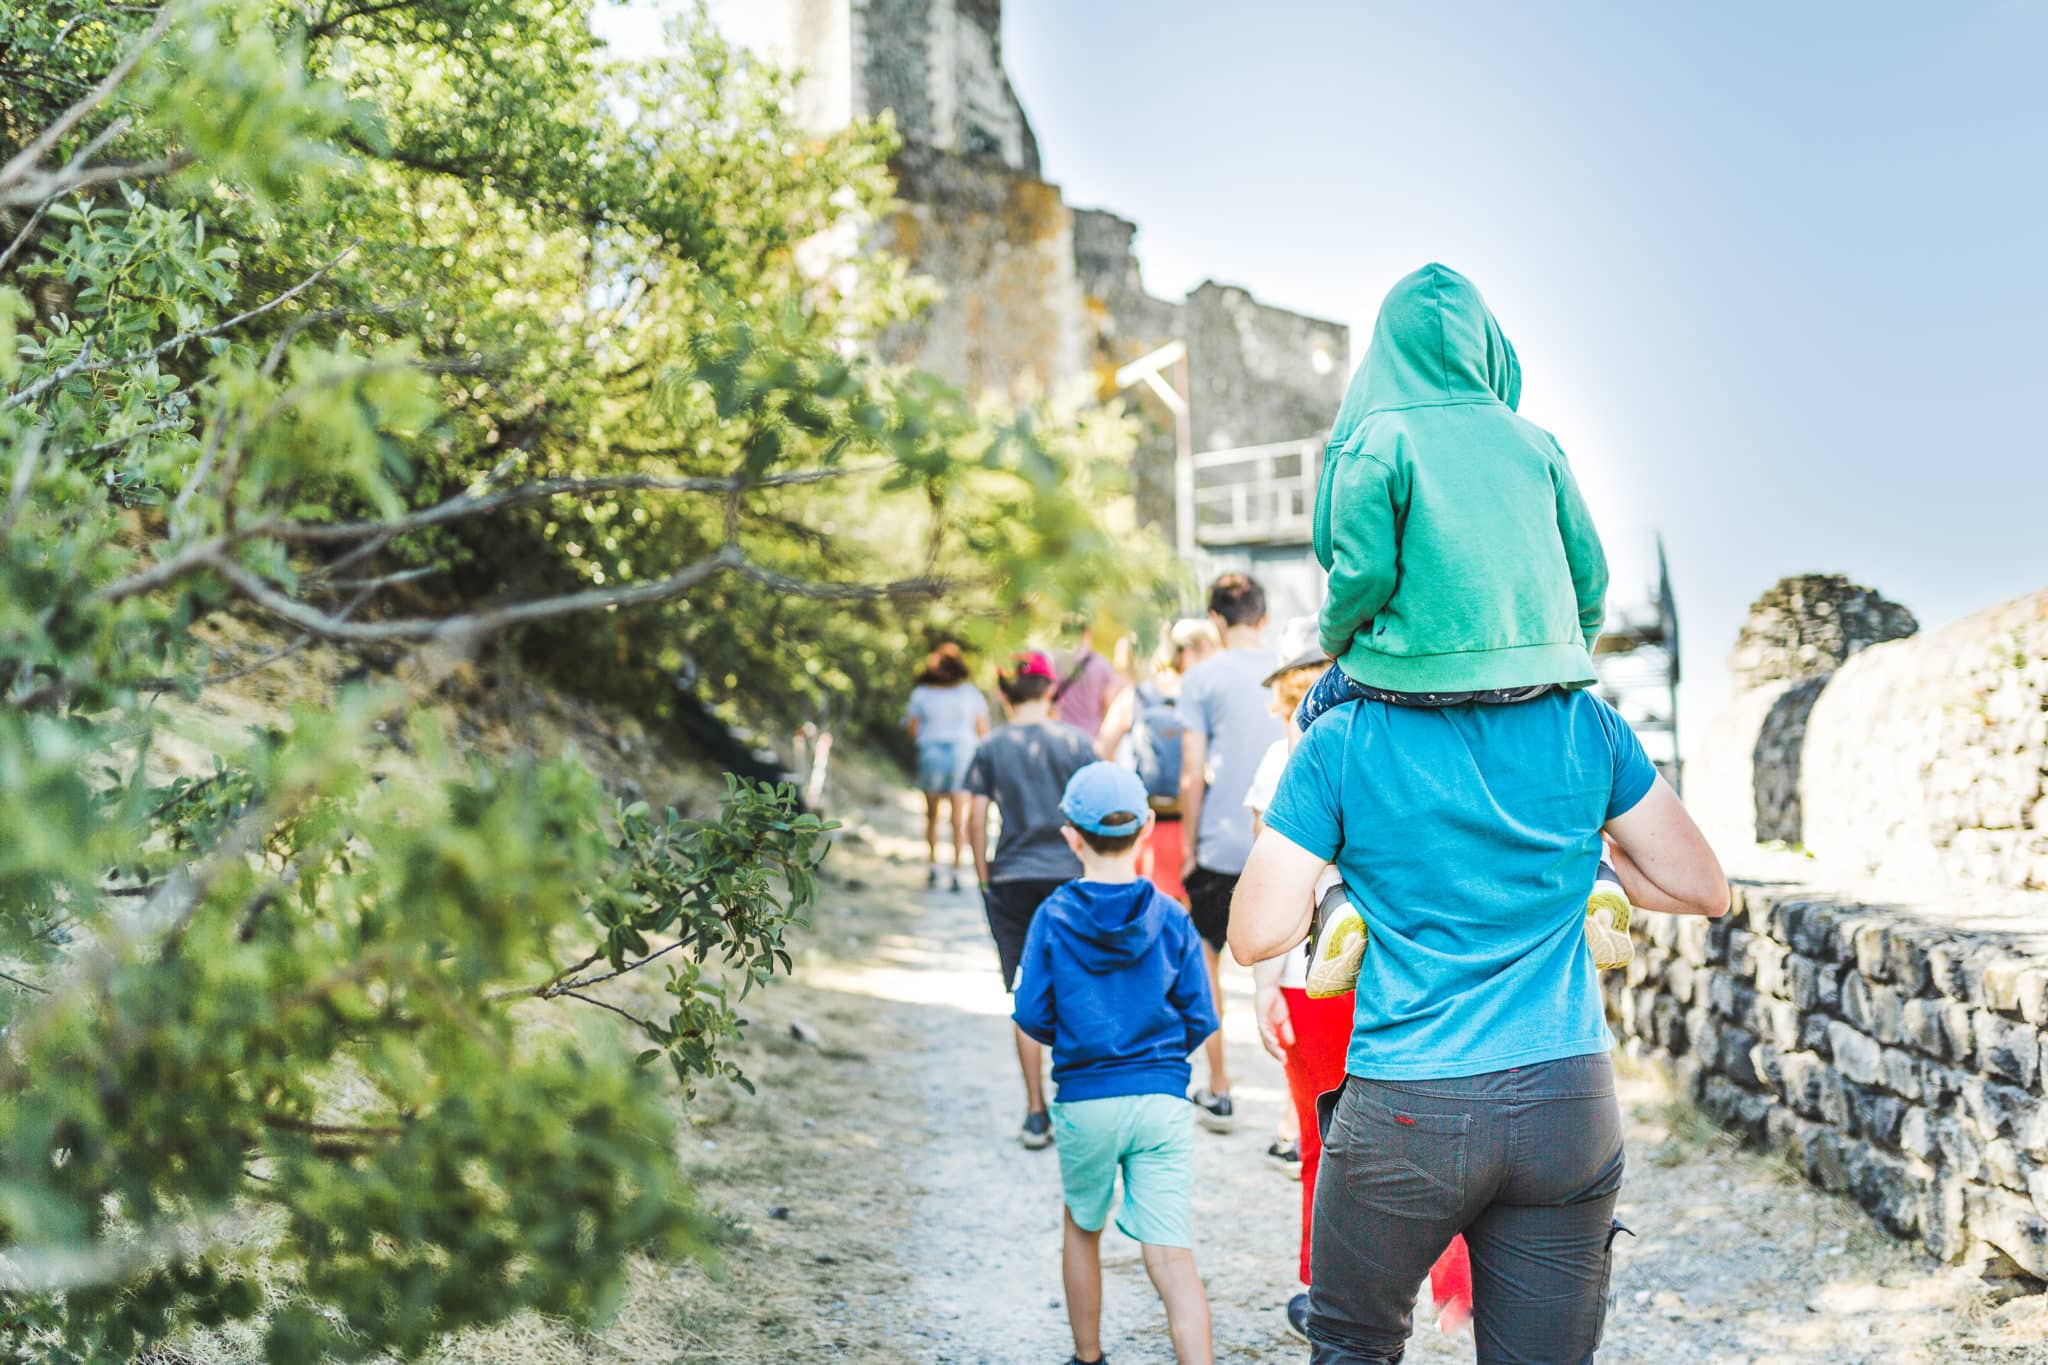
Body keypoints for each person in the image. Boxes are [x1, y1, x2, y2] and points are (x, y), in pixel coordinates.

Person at [1230, 686, 1728, 1363]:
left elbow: (1254, 934)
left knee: (1354, 1345)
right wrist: (1588, 863)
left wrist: (1332, 871)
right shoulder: (1587, 724)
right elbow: (1704, 887)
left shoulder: (1342, 733)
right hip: (1566, 1098)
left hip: (1408, 1100)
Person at [1294, 263, 1633, 998]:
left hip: (1408, 672)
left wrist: (1336, 636)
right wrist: (1559, 651)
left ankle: (1335, 898)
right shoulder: (1536, 442)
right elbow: (1591, 575)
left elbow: (1365, 575)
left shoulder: (1378, 441)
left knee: (1308, 720)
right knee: (1577, 756)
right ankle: (1598, 875)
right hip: (1540, 666)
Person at [1242, 619, 1471, 1344]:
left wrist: (1262, 985)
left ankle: (1323, 1284)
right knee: (1432, 1123)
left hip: (1314, 978)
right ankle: (1454, 1287)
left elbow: (1265, 891)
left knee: (1324, 1137)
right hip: (1394, 970)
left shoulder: (1279, 765)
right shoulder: (1388, 742)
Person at [1013, 762, 1219, 1365]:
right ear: (1150, 827)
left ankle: (1089, 1355)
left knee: (1083, 1226)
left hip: (1086, 1098)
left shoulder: (1051, 916)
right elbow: (1201, 1016)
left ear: (1071, 836)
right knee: (1171, 1254)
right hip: (1161, 1100)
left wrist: (1082, 1042)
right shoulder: (1172, 917)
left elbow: (1031, 1014)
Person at [966, 651, 1100, 1149]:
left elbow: (974, 820)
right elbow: (1099, 811)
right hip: (1070, 878)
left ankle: (1035, 1113)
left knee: (1025, 995)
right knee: (1077, 987)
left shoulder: (990, 747)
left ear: (1002, 695)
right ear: (1050, 692)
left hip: (1013, 881)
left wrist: (985, 877)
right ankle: (1078, 1102)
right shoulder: (1077, 743)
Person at [1176, 573, 1280, 1131]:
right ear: (1262, 618)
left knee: (1208, 963)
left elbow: (1193, 775)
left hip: (1219, 843)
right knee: (1294, 973)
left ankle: (1219, 1088)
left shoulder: (1201, 678)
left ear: (1215, 620)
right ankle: (1296, 1119)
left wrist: (1188, 848)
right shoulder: (1290, 676)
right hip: (1286, 845)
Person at [1096, 618, 1222, 907]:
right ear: (1194, 651)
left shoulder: (1137, 695)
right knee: (1187, 921)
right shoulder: (1204, 698)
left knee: (1147, 910)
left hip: (1147, 825)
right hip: (1194, 825)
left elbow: (1101, 749)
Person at [905, 642, 990, 893]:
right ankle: (955, 871)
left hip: (931, 751)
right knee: (958, 816)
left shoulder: (921, 693)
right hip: (963, 753)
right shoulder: (970, 693)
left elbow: (912, 728)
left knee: (931, 814)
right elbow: (982, 730)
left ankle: (932, 866)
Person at [1053, 618, 1120, 736]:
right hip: (1091, 736)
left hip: (1061, 736)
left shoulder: (1054, 663)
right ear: (1087, 633)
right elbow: (1110, 705)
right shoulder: (1102, 665)